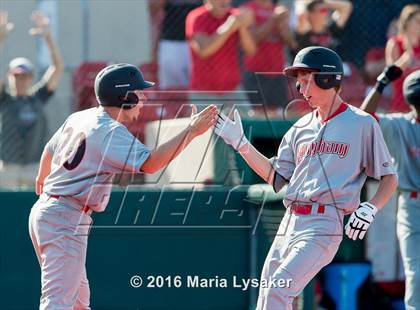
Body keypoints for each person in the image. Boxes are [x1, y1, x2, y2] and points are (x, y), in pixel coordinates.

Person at [215, 46, 398, 309]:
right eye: (298, 81)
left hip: (323, 224)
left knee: (278, 290)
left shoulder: (362, 123)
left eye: (306, 80)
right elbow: (276, 177)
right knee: (268, 297)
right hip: (289, 222)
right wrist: (241, 143)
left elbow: (388, 177)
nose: (300, 88)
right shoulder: (299, 127)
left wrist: (371, 207)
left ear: (328, 78)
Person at [28, 64, 218, 309]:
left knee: (77, 302)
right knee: (58, 303)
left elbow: (49, 150)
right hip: (65, 216)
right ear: (124, 97)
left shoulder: (81, 116)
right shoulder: (109, 131)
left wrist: (44, 182)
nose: (144, 97)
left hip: (49, 211)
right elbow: (150, 164)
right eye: (138, 92)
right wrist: (190, 131)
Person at [360, 65, 420, 310]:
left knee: (416, 272)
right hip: (411, 206)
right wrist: (380, 84)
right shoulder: (398, 124)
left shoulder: (398, 124)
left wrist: (382, 82)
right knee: (416, 271)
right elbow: (364, 119)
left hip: (409, 203)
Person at [186, 0, 255, 185]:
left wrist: (241, 27)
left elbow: (251, 49)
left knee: (249, 129)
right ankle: (215, 186)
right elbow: (204, 49)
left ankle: (249, 180)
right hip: (204, 91)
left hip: (232, 89)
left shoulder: (233, 16)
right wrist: (229, 26)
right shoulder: (197, 17)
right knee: (206, 142)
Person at [0, 10, 64, 186]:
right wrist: (1, 39)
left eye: (24, 76)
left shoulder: (38, 97)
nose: (20, 80)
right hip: (8, 168)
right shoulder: (4, 98)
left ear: (31, 78)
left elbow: (58, 68)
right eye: (16, 76)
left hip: (34, 167)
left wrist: (48, 37)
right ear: (9, 77)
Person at [241, 0, 297, 113]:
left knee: (280, 114)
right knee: (257, 114)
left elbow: (292, 44)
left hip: (277, 73)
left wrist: (283, 25)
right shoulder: (248, 9)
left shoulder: (278, 9)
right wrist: (273, 19)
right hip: (255, 73)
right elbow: (253, 39)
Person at [148, 0, 202, 89]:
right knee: (173, 93)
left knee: (202, 92)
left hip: (204, 42)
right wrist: (154, 48)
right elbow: (154, 9)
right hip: (172, 42)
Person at [385, 4, 420, 113]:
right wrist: (407, 57)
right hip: (400, 107)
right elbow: (391, 75)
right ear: (407, 22)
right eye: (418, 21)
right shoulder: (395, 43)